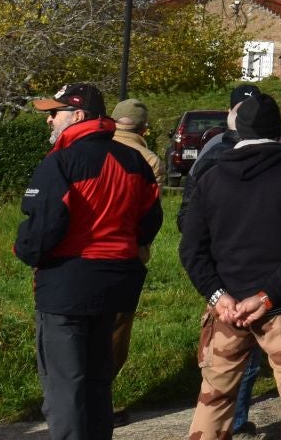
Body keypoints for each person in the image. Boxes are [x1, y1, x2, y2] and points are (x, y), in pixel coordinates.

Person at [13, 82, 161, 440]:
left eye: (54, 113)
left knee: (65, 388)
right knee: (98, 381)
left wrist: (25, 250)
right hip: (117, 282)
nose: (49, 121)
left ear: (78, 115)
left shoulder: (61, 161)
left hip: (67, 283)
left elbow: (44, 225)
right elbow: (149, 221)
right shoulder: (134, 160)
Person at [177, 92, 281, 440]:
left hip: (226, 309)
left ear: (238, 130)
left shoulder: (210, 178)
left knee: (213, 399)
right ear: (279, 132)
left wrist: (218, 296)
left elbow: (191, 250)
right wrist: (265, 297)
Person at [103, 98, 162, 427]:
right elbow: (149, 216)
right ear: (144, 129)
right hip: (127, 255)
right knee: (116, 332)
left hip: (82, 257)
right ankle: (102, 400)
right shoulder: (148, 159)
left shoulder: (90, 148)